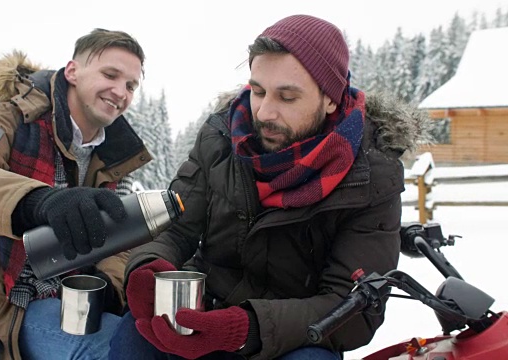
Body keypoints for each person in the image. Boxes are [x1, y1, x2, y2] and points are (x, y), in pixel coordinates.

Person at [109, 14, 429, 360]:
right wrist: (147, 266)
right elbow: (176, 228)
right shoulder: (220, 137)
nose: (264, 112)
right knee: (134, 337)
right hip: (205, 313)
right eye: (257, 91)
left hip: (294, 340)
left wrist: (247, 328)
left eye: (287, 98)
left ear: (331, 99)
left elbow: (354, 306)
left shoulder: (371, 174)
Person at [0, 28, 151, 360]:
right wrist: (35, 201)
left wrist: (107, 285)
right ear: (72, 71)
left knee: (148, 340)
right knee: (113, 352)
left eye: (131, 85)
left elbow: (122, 242)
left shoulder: (117, 155)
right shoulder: (13, 118)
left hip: (71, 295)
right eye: (110, 74)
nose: (120, 92)